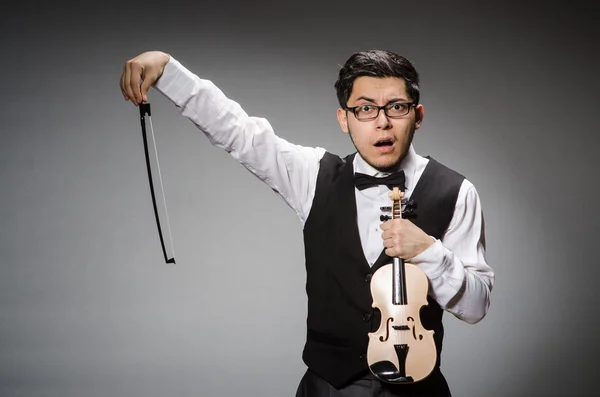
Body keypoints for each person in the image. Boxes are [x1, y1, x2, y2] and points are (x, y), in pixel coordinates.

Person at [119, 49, 494, 396]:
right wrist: (168, 71)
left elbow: (476, 307)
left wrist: (430, 252)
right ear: (344, 119)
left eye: (396, 107)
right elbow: (240, 133)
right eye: (365, 109)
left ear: (418, 115)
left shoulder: (457, 191)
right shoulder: (313, 175)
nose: (382, 122)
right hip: (327, 387)